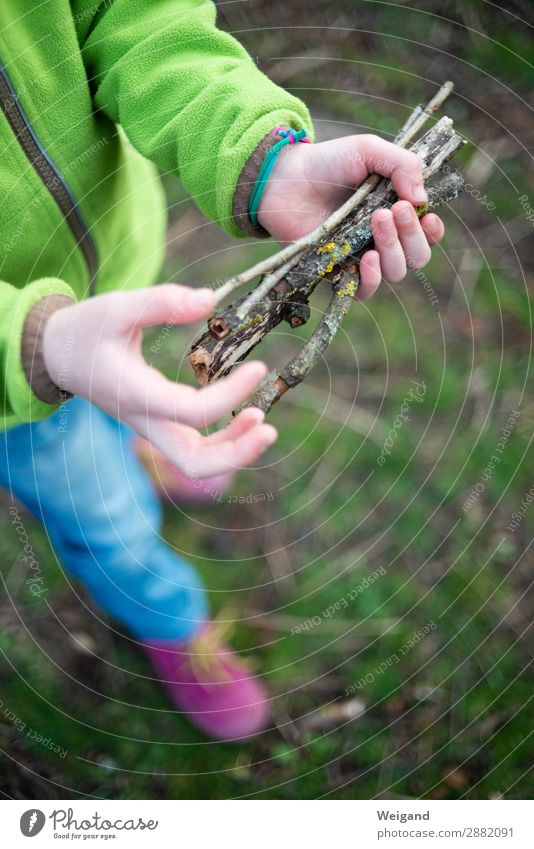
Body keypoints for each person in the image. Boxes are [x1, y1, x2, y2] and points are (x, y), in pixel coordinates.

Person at [0, 1, 444, 740]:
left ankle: (138, 441)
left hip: (113, 266)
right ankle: (172, 618)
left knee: (136, 385)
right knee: (105, 516)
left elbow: (131, 17)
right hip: (16, 388)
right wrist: (34, 345)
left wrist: (262, 157)